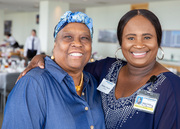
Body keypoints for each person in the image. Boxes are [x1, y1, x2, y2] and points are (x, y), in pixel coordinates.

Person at [17, 9, 180, 129]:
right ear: (121, 42)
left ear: (158, 41)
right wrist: (44, 58)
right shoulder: (107, 68)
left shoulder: (171, 88)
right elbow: (71, 64)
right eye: (130, 37)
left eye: (147, 37)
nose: (138, 44)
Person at [2, 11, 105, 129]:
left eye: (85, 38)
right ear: (55, 44)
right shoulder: (33, 84)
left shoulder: (92, 82)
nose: (77, 43)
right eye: (68, 37)